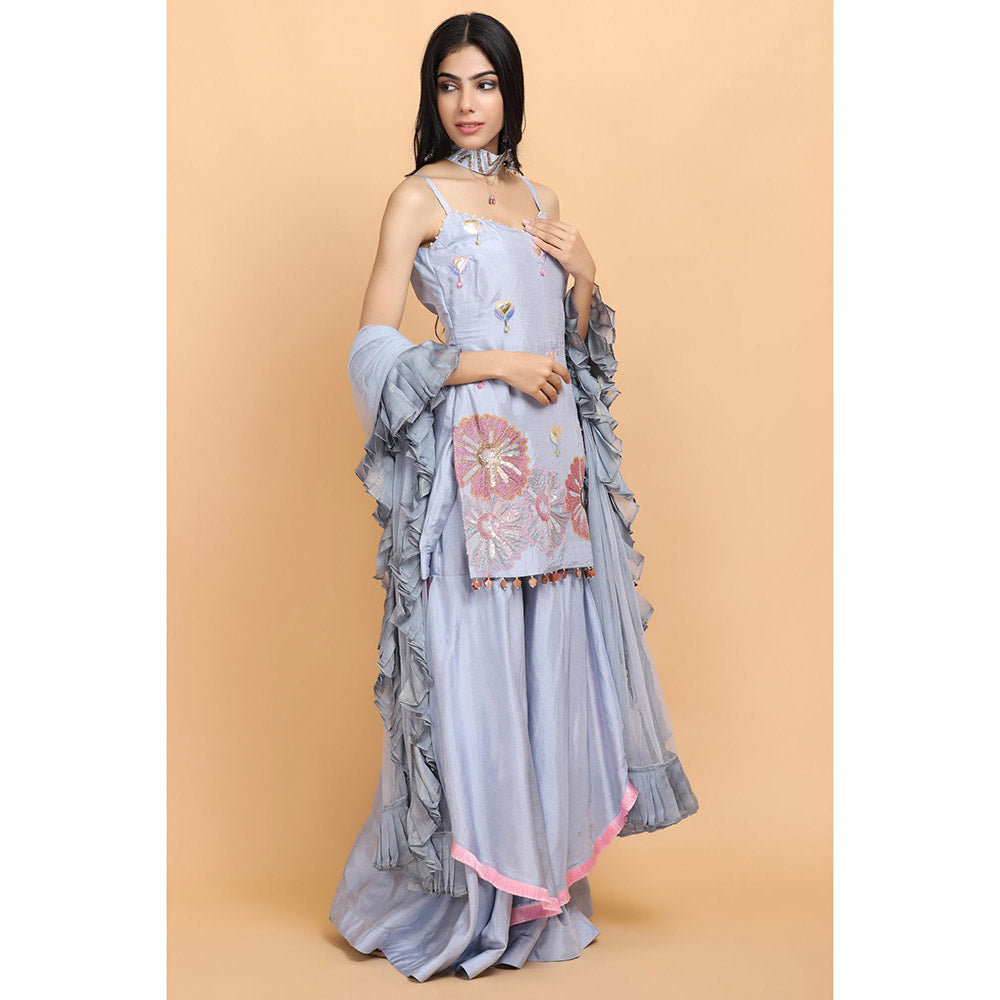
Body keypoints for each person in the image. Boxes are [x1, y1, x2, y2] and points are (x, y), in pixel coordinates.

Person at [330, 12, 699, 981]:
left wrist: (585, 275)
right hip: (476, 470)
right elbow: (372, 350)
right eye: (450, 85)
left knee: (547, 674)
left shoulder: (541, 198)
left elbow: (571, 354)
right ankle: (474, 902)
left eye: (484, 84)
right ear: (432, 95)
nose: (468, 104)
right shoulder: (416, 200)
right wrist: (489, 362)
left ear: (509, 93)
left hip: (553, 471)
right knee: (478, 675)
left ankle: (537, 890)